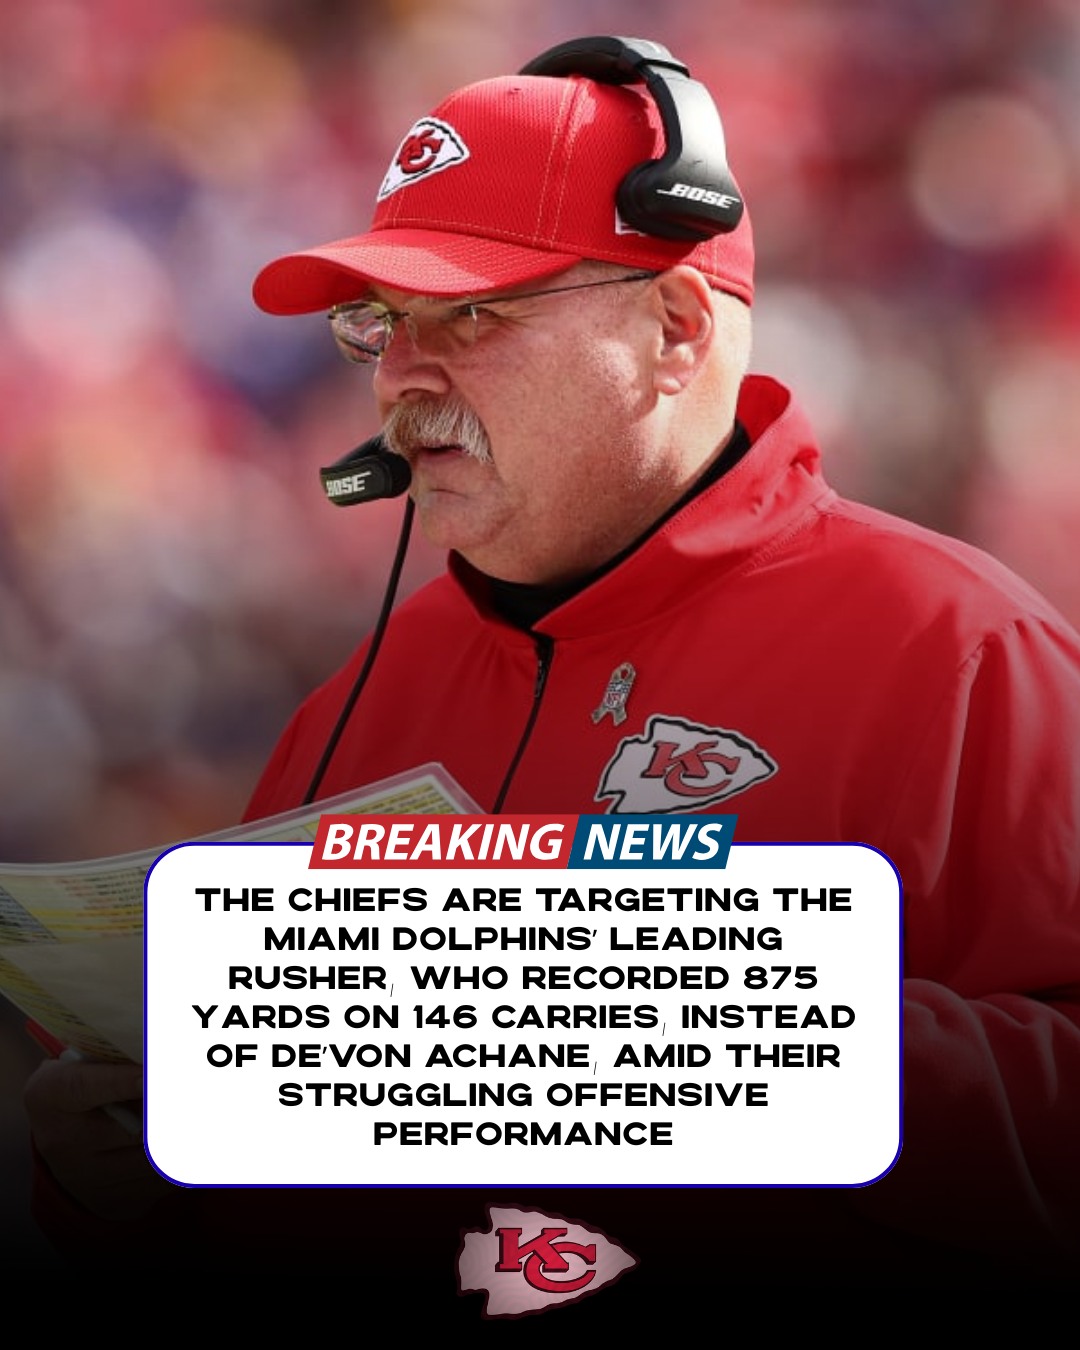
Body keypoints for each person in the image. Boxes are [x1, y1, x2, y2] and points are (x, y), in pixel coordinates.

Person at [24, 38, 1080, 1300]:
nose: (402, 375)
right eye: (382, 324)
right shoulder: (358, 703)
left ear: (677, 328)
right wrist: (134, 1182)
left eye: (472, 315)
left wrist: (665, 1018)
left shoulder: (961, 650)